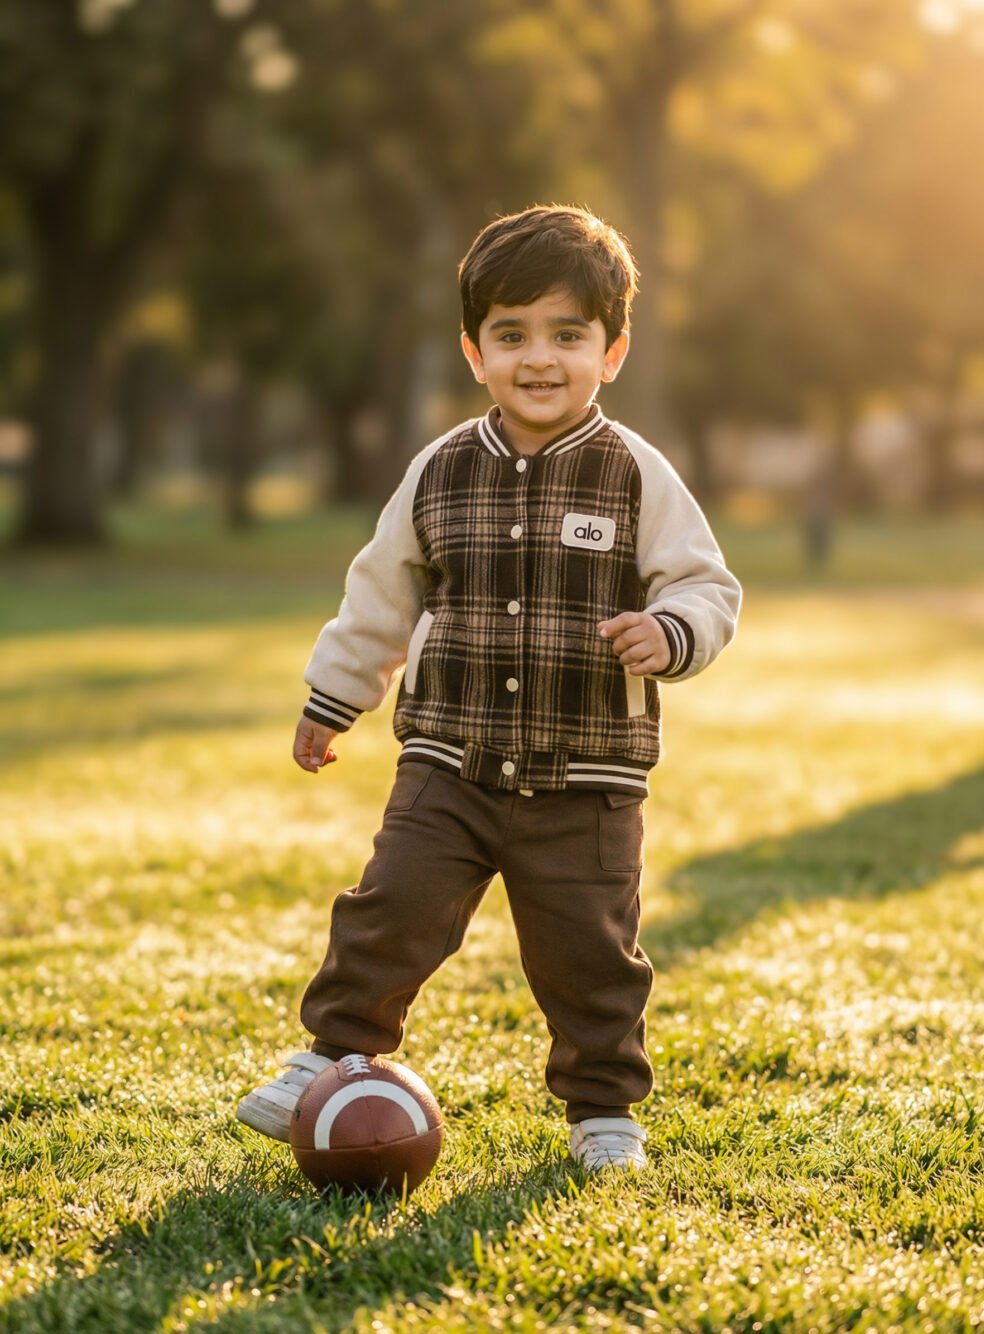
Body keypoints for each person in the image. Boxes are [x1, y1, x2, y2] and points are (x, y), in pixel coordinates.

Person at [237, 204, 742, 1172]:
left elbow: (706, 586)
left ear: (613, 350)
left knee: (590, 954)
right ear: (475, 352)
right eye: (510, 335)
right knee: (391, 904)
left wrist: (669, 630)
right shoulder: (438, 472)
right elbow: (380, 591)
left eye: (567, 334)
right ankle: (333, 1050)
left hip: (588, 775)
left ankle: (603, 1110)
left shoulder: (637, 475)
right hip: (449, 762)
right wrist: (332, 696)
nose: (538, 358)